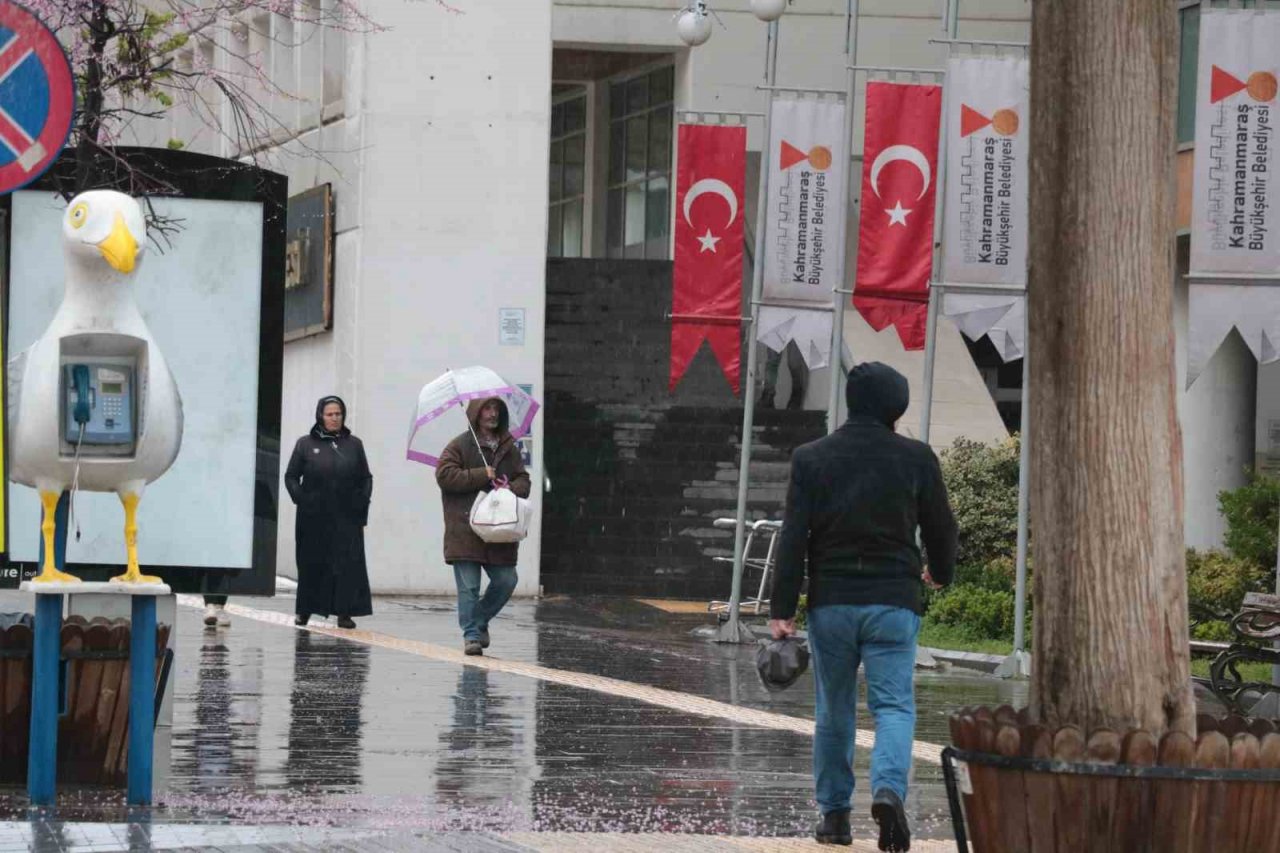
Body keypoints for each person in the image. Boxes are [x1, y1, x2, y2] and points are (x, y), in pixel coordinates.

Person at [769, 362, 957, 851]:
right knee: (893, 705)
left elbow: (793, 537)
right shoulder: (916, 458)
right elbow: (942, 527)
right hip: (894, 601)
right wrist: (940, 572)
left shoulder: (812, 457)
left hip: (832, 603)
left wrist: (782, 607)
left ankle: (834, 818)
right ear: (895, 405)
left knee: (834, 710)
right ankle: (889, 790)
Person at [436, 398, 531, 656]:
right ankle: (471, 636)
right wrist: (481, 474)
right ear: (476, 414)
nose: (492, 414)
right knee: (469, 587)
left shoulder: (509, 447)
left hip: (499, 530)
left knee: (506, 580)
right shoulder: (459, 445)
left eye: (496, 410)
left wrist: (510, 487)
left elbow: (524, 480)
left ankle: (478, 621)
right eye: (487, 409)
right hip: (465, 529)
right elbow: (444, 476)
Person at [284, 395, 373, 629]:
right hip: (313, 517)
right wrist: (302, 499)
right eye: (330, 414)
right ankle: (305, 610)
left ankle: (344, 612)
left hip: (346, 516)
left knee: (346, 564)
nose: (335, 418)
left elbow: (366, 478)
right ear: (320, 416)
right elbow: (291, 476)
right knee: (312, 562)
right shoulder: (305, 444)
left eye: (338, 414)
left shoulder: (354, 444)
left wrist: (362, 504)